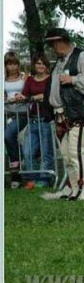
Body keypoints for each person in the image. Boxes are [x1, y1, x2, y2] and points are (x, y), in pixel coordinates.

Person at [45, 28, 84, 201]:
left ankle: (82, 190)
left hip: (79, 112)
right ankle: (74, 189)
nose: (55, 47)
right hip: (61, 114)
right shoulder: (59, 62)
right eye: (52, 44)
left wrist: (74, 79)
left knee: (76, 151)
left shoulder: (82, 56)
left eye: (57, 42)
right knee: (66, 153)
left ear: (65, 40)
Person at [19, 53, 54, 189]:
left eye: (43, 63)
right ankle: (31, 179)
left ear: (47, 66)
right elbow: (25, 94)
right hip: (32, 120)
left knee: (46, 152)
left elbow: (50, 95)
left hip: (46, 119)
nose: (41, 65)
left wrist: (37, 97)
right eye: (38, 63)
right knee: (28, 151)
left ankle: (44, 179)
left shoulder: (51, 79)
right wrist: (20, 96)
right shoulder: (30, 80)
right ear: (34, 65)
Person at [4, 51, 28, 189]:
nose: (12, 67)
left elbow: (28, 91)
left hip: (22, 113)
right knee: (7, 140)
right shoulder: (3, 79)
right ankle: (16, 175)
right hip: (7, 112)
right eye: (9, 64)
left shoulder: (24, 77)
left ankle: (20, 160)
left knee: (8, 135)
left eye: (14, 64)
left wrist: (21, 96)